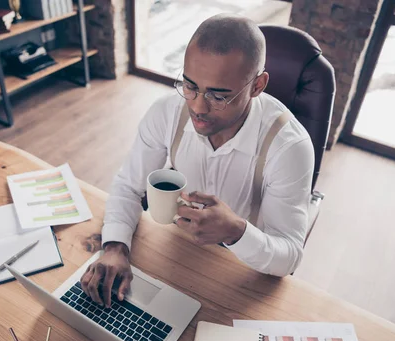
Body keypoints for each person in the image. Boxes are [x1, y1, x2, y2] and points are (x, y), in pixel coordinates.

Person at [81, 14, 314, 307]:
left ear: (257, 86)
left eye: (218, 96)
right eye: (190, 86)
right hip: (177, 249)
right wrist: (115, 247)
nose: (197, 106)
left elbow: (289, 255)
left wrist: (236, 232)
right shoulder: (166, 111)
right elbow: (129, 185)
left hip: (243, 273)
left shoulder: (289, 147)